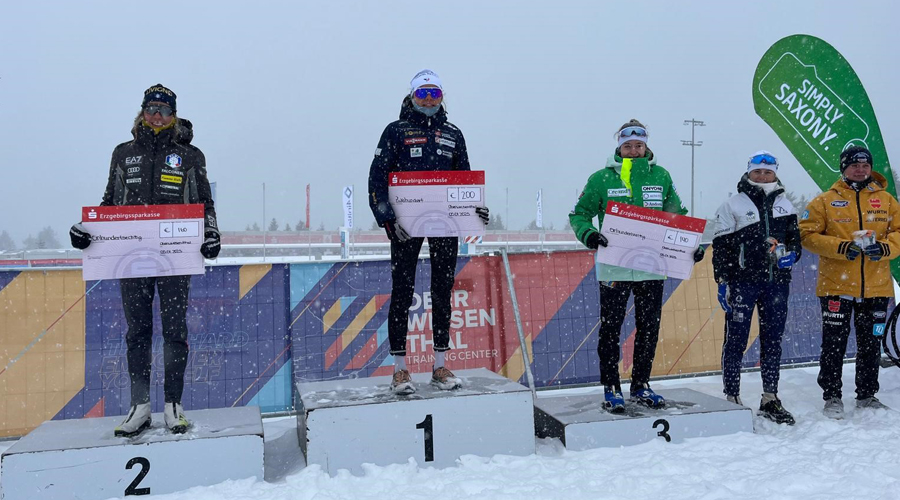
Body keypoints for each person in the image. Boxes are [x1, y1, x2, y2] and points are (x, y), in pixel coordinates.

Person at [69, 84, 220, 436]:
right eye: (152, 108)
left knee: (174, 331)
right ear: (142, 111)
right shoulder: (123, 153)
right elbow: (109, 204)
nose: (157, 115)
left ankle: (173, 406)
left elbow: (205, 203)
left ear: (174, 116)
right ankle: (139, 408)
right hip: (130, 258)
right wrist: (85, 230)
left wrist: (211, 232)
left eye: (165, 110)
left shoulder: (191, 155)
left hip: (175, 258)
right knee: (137, 332)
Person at [568, 119, 703, 413]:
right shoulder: (601, 178)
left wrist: (691, 247)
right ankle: (611, 386)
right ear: (619, 147)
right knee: (611, 328)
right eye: (627, 145)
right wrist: (589, 235)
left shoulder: (662, 176)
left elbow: (676, 217)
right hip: (614, 268)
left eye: (638, 145)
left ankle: (641, 384)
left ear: (646, 146)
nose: (633, 150)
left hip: (651, 267)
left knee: (649, 328)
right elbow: (579, 214)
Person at [368, 69, 489, 395]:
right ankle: (400, 369)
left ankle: (439, 364)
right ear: (411, 97)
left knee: (442, 290)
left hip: (445, 224)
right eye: (423, 94)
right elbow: (377, 179)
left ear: (442, 98)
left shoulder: (453, 133)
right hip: (406, 227)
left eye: (435, 94)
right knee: (403, 291)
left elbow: (464, 182)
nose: (429, 100)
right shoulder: (396, 131)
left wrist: (475, 212)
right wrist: (387, 219)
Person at [800, 146, 900, 418]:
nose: (860, 169)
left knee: (870, 343)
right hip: (837, 286)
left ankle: (867, 394)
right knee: (834, 343)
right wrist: (841, 247)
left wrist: (885, 247)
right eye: (854, 165)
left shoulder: (887, 200)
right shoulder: (825, 200)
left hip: (876, 287)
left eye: (865, 165)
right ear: (844, 167)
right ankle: (832, 396)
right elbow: (806, 235)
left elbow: (899, 232)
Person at [712, 151, 800, 425]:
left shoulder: (786, 204)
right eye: (757, 171)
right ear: (749, 172)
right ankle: (732, 396)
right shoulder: (733, 204)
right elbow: (721, 247)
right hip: (742, 283)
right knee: (736, 339)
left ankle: (770, 397)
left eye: (768, 172)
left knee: (773, 340)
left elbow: (796, 242)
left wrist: (792, 256)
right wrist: (723, 280)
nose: (762, 176)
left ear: (775, 174)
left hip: (776, 284)